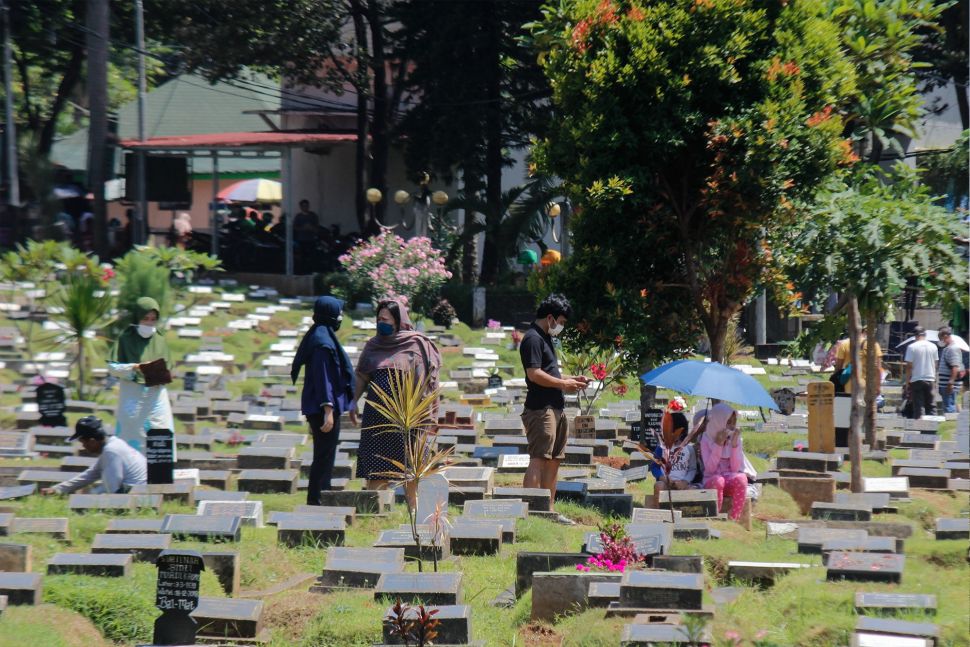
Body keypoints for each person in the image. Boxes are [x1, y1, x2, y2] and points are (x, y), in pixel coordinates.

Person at [352, 299, 441, 510]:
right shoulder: (373, 345)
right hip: (377, 418)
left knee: (410, 466)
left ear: (398, 320)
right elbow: (362, 376)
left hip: (408, 417)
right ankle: (373, 511)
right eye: (378, 319)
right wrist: (352, 401)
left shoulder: (417, 344)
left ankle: (415, 510)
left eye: (385, 319)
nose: (380, 323)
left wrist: (426, 414)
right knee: (377, 465)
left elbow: (428, 382)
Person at [519, 294, 588, 522]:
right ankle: (530, 510)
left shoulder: (546, 338)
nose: (562, 326)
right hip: (541, 409)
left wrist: (571, 380)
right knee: (539, 458)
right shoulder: (532, 339)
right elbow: (534, 374)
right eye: (561, 321)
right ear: (550, 318)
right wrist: (563, 384)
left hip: (556, 407)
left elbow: (551, 373)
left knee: (555, 459)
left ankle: (548, 510)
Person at [292, 296, 355, 505]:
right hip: (322, 408)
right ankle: (318, 499)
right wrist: (328, 409)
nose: (341, 318)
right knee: (324, 455)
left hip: (321, 406)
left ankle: (321, 496)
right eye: (338, 314)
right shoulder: (322, 343)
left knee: (325, 454)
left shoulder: (319, 335)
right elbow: (323, 377)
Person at [107, 297, 175, 452]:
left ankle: (159, 473)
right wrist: (134, 368)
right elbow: (112, 367)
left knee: (159, 436)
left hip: (156, 397)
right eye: (145, 319)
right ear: (137, 318)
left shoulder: (159, 340)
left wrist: (161, 372)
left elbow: (169, 365)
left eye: (153, 319)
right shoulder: (125, 339)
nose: (149, 323)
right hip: (133, 396)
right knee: (133, 439)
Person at [40, 416, 147, 495]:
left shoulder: (111, 451)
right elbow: (91, 474)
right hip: (134, 490)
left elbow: (112, 491)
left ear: (92, 441)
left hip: (135, 494)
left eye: (83, 442)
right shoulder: (113, 444)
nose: (83, 447)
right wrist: (58, 489)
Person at [699, 403, 750, 528]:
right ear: (719, 421)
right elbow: (710, 469)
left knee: (742, 478)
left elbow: (735, 469)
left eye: (733, 422)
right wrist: (718, 445)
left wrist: (734, 446)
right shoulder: (706, 439)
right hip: (712, 480)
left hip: (729, 479)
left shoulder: (735, 439)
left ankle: (734, 518)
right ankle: (715, 515)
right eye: (728, 422)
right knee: (718, 480)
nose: (732, 427)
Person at [650, 409, 699, 508]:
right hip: (666, 483)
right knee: (658, 486)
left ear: (681, 432)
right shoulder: (661, 447)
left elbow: (692, 469)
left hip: (682, 483)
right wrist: (663, 478)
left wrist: (685, 482)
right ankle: (658, 510)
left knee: (693, 491)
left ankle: (687, 511)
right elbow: (655, 466)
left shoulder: (688, 449)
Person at [832, 330, 882, 395]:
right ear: (864, 332)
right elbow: (878, 368)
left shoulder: (844, 344)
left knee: (848, 404)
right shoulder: (874, 344)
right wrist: (878, 387)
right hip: (868, 386)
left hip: (848, 385)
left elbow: (838, 367)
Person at [904, 326, 938, 418]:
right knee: (931, 405)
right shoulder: (933, 346)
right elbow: (935, 364)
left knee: (919, 406)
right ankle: (933, 427)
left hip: (917, 379)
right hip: (930, 378)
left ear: (915, 336)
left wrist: (907, 382)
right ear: (925, 335)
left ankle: (921, 427)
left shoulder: (911, 347)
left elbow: (909, 366)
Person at [937, 326, 965, 414]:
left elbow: (955, 366)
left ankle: (952, 423)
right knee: (948, 406)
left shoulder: (952, 349)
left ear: (945, 336)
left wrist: (950, 382)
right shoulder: (947, 348)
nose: (940, 341)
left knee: (949, 408)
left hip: (949, 385)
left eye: (940, 338)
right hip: (945, 384)